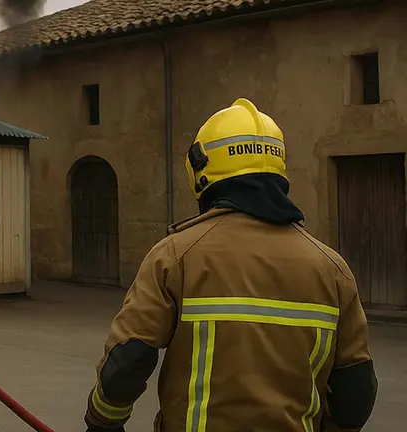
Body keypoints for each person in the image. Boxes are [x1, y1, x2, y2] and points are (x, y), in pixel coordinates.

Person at [83, 99, 378, 432]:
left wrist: (102, 421)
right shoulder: (332, 270)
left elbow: (129, 361)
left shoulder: (175, 257)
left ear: (201, 171)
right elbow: (356, 390)